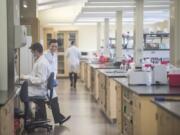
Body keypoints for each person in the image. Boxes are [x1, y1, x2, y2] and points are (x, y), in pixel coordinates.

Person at [21, 42, 70, 125]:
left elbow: (41, 79)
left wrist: (26, 78)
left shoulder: (42, 62)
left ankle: (31, 118)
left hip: (41, 88)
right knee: (52, 98)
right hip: (43, 87)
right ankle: (41, 119)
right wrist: (26, 76)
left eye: (32, 51)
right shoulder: (40, 60)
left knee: (23, 92)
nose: (32, 53)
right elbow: (36, 75)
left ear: (36, 51)